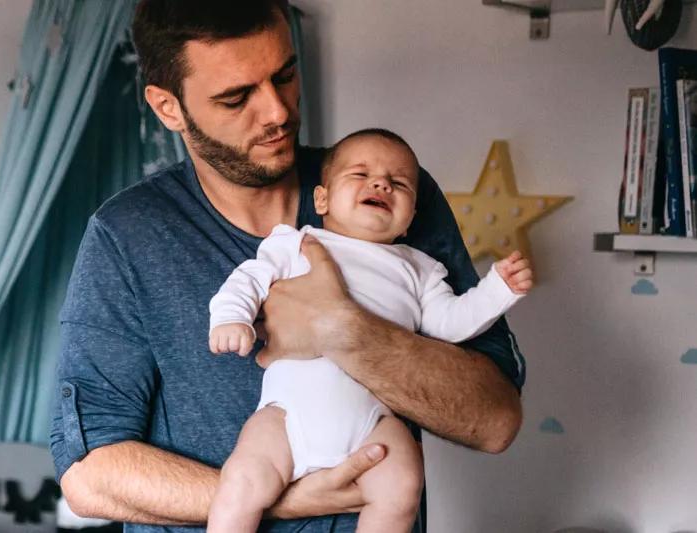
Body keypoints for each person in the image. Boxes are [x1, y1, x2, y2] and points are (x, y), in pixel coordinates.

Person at [49, 1, 526, 532]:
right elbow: (89, 475)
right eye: (236, 96)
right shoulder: (128, 235)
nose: (277, 112)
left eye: (286, 75)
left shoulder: (385, 193)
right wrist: (283, 497)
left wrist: (343, 330)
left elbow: (495, 421)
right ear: (168, 107)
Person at [206, 129, 532, 533]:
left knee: (402, 483)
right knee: (241, 482)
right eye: (360, 174)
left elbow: (449, 324)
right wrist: (231, 319)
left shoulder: (419, 269)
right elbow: (247, 281)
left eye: (398, 183)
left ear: (411, 216)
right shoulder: (298, 243)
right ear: (322, 199)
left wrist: (497, 291)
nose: (380, 184)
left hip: (372, 422)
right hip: (287, 416)